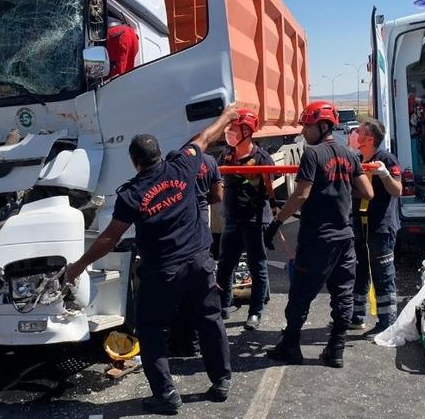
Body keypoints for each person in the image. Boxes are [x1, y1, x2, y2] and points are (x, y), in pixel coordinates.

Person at [65, 106, 237, 414]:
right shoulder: (183, 165)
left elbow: (108, 238)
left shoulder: (132, 194)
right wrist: (227, 116)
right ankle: (222, 381)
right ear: (159, 154)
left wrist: (76, 267)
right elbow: (205, 138)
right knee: (210, 320)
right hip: (199, 264)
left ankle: (166, 394)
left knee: (151, 328)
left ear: (135, 162)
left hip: (163, 272)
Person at [263, 102, 373, 368]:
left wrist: (277, 222)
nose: (303, 131)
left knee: (300, 295)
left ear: (323, 126)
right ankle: (336, 350)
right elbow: (368, 192)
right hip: (345, 239)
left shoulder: (312, 154)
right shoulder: (350, 155)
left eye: (307, 126)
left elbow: (301, 194)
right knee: (342, 296)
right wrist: (341, 188)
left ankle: (290, 346)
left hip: (317, 240)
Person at [216, 108, 274, 330]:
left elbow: (269, 188)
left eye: (234, 129)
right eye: (229, 128)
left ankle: (255, 312)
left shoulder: (262, 158)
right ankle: (223, 307)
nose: (229, 133)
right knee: (225, 266)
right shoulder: (226, 154)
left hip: (254, 221)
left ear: (247, 132)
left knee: (257, 266)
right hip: (232, 219)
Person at [350, 118, 402, 336]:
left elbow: (397, 190)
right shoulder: (358, 159)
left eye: (359, 131)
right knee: (359, 270)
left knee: (383, 274)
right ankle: (357, 316)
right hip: (361, 225)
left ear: (369, 139)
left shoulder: (386, 160)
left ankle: (387, 322)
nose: (354, 134)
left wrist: (385, 175)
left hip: (381, 226)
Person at [169, 152, 222, 357]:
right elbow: (218, 195)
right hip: (201, 231)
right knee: (201, 290)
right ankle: (197, 342)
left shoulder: (174, 159)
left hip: (180, 230)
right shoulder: (210, 161)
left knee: (179, 291)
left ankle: (181, 342)